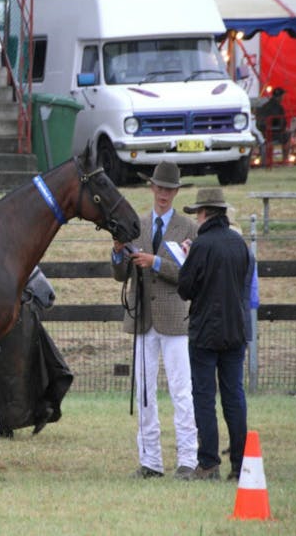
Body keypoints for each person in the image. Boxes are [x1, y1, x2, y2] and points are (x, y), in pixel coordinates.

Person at [110, 161, 198, 481]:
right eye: (159, 188)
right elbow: (121, 274)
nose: (163, 194)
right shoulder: (138, 224)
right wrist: (118, 252)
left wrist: (156, 262)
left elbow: (190, 275)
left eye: (169, 189)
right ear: (152, 188)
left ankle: (188, 459)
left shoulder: (189, 228)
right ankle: (150, 461)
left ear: (176, 192)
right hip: (142, 318)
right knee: (144, 392)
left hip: (175, 318)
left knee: (181, 390)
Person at [177, 188, 250, 482]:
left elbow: (185, 288)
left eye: (197, 213)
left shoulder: (201, 245)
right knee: (234, 396)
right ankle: (240, 463)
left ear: (204, 213)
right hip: (235, 330)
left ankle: (208, 463)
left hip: (205, 333)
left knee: (204, 397)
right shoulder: (239, 243)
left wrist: (186, 258)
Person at [256, 87, 289, 163]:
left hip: (261, 133)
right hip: (274, 133)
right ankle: (285, 160)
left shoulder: (264, 106)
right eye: (282, 96)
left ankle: (264, 160)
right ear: (280, 97)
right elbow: (282, 123)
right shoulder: (279, 107)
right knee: (288, 135)